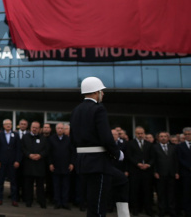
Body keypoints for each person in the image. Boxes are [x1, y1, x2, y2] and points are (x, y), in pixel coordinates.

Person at [69, 77, 129, 216]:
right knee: (97, 207)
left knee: (121, 180)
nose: (103, 94)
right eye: (102, 91)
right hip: (98, 164)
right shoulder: (98, 109)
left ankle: (124, 214)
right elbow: (106, 137)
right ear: (96, 92)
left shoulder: (76, 110)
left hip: (83, 163)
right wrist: (117, 153)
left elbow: (72, 139)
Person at [126, 126, 154, 216]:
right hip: (135, 171)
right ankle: (135, 209)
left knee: (147, 191)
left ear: (144, 133)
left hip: (147, 171)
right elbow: (129, 156)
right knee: (135, 191)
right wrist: (137, 164)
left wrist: (148, 164)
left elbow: (153, 157)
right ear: (135, 134)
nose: (140, 135)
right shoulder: (130, 143)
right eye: (138, 133)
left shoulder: (149, 144)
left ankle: (148, 209)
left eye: (142, 133)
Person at [0, 118, 21, 206]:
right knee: (0, 181)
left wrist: (17, 160)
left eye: (10, 124)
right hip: (2, 162)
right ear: (4, 125)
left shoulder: (15, 135)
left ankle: (14, 199)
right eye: (6, 124)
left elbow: (18, 149)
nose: (8, 125)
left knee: (13, 182)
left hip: (12, 162)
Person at [21, 121, 48, 208]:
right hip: (29, 165)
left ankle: (41, 202)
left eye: (36, 127)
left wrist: (40, 155)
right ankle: (29, 202)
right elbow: (22, 148)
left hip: (39, 165)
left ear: (39, 129)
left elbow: (46, 150)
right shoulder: (25, 137)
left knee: (40, 186)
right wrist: (29, 155)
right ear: (30, 128)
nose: (35, 129)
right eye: (33, 127)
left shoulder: (43, 138)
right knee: (28, 186)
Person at [48, 122, 74, 209]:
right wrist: (50, 163)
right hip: (55, 166)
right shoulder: (52, 139)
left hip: (66, 166)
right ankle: (57, 202)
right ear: (56, 129)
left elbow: (72, 152)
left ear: (64, 130)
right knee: (56, 185)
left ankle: (65, 202)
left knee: (66, 186)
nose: (60, 129)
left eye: (61, 128)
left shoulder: (68, 139)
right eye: (58, 128)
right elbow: (49, 153)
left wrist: (71, 163)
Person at [151, 131, 178, 217]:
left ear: (168, 138)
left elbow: (176, 161)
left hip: (171, 174)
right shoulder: (155, 147)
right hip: (160, 174)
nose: (163, 138)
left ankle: (171, 210)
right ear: (158, 138)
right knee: (161, 194)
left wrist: (177, 172)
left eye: (165, 136)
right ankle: (162, 210)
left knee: (171, 194)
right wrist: (155, 171)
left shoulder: (173, 147)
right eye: (161, 136)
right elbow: (153, 161)